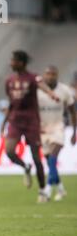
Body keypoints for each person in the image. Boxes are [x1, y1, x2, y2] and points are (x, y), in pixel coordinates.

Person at [0, 50, 59, 203]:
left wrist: (51, 93)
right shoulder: (9, 81)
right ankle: (25, 166)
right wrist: (3, 123)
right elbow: (11, 104)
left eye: (13, 60)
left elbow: (42, 85)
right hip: (15, 121)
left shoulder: (33, 78)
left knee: (36, 157)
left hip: (32, 121)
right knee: (9, 151)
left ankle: (42, 190)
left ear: (21, 62)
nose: (11, 63)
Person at [37, 66, 76, 201]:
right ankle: (60, 188)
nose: (50, 76)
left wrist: (74, 132)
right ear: (44, 75)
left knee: (53, 157)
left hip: (58, 127)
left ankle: (46, 190)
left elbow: (72, 111)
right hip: (43, 130)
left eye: (53, 74)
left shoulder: (64, 90)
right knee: (50, 162)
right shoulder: (38, 91)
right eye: (48, 74)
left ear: (57, 75)